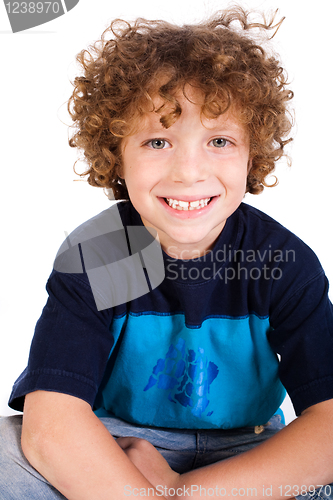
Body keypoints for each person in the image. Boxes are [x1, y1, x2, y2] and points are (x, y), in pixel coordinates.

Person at [1, 5, 333, 500]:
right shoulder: (102, 254)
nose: (187, 171)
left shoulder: (280, 262)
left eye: (219, 140)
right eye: (158, 140)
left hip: (249, 452)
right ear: (117, 154)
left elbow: (326, 426)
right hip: (118, 445)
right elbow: (54, 425)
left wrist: (182, 492)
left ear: (252, 156)